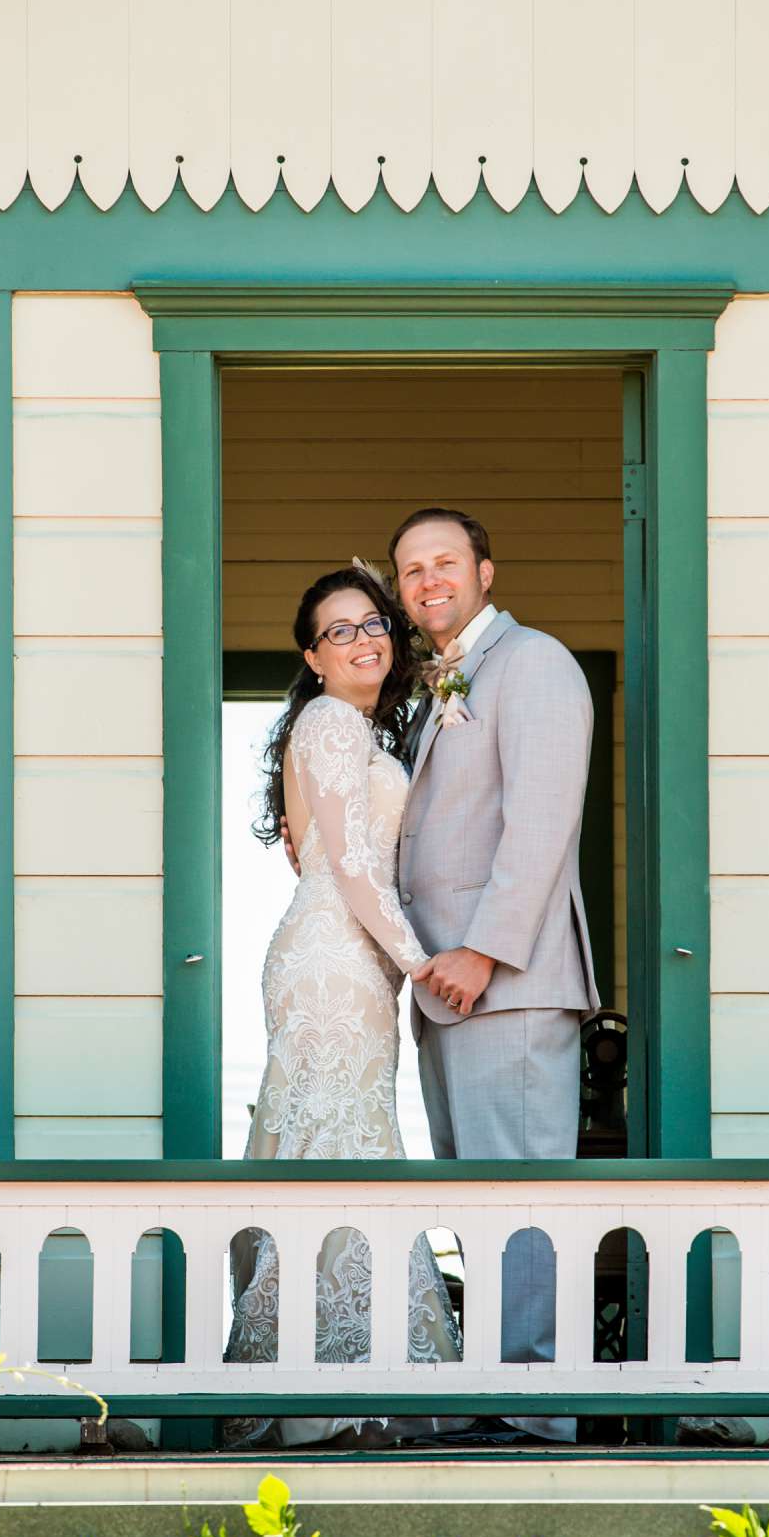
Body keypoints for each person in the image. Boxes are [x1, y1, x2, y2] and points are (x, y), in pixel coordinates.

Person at [225, 565, 461, 1447]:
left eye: (375, 624)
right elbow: (351, 867)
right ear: (310, 657)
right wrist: (418, 959)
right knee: (337, 1144)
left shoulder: (352, 728)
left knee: (347, 1138)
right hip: (333, 959)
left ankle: (343, 1367)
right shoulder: (328, 722)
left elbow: (311, 855)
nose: (364, 640)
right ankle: (326, 1384)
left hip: (341, 950)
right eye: (340, 630)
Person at [393, 508, 598, 1443]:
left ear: (484, 568)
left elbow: (543, 821)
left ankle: (536, 1412)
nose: (428, 580)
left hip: (505, 979)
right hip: (446, 991)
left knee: (521, 1196)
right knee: (476, 1199)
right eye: (410, 570)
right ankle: (493, 1390)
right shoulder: (436, 680)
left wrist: (483, 948)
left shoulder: (536, 662)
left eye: (444, 562)